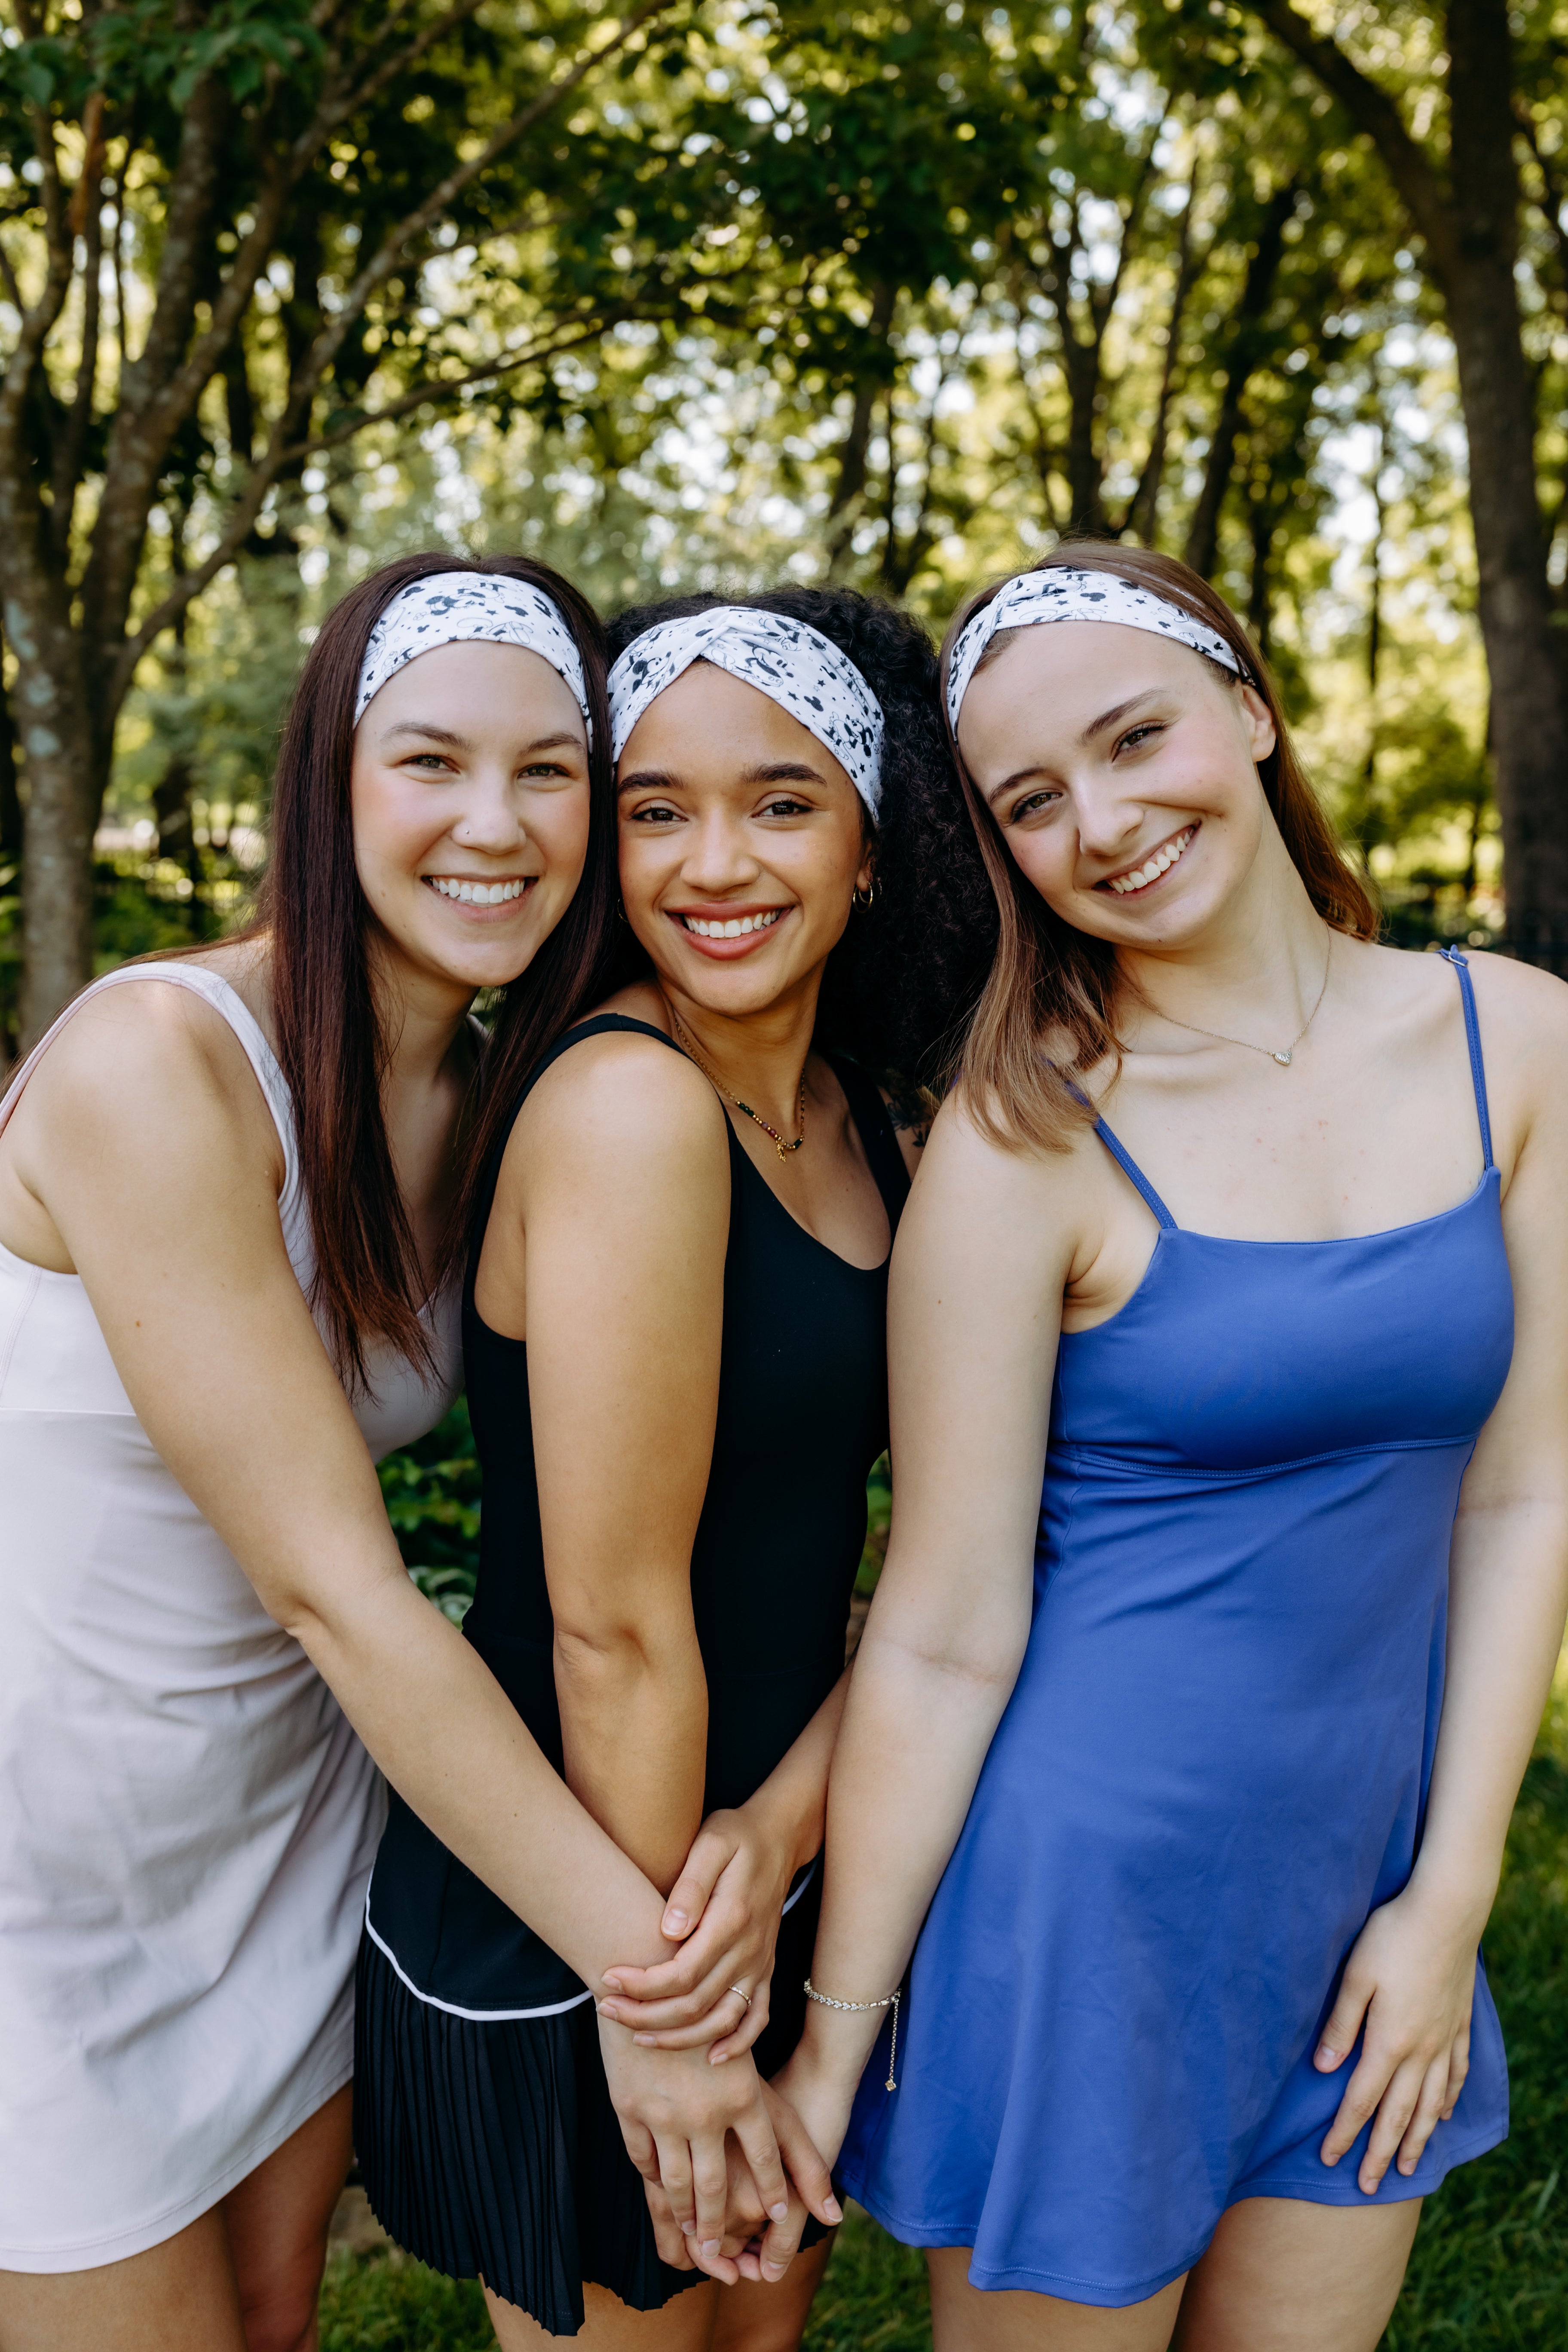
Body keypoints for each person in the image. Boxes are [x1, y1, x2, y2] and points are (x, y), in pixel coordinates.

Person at [0, 558, 802, 2352]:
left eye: (551, 772)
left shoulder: (494, 1089)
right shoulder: (158, 1064)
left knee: (271, 2324)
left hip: (282, 1821)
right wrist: (663, 2000)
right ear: (332, 784)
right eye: (431, 762)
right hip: (45, 1869)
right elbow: (341, 1593)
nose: (494, 825)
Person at [772, 545, 1568, 2351]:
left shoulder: (1517, 1045)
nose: (1106, 823)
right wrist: (834, 2040)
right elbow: (944, 1628)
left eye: (1136, 739)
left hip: (1367, 1891)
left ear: (1254, 710)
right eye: (1033, 801)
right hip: (1085, 1913)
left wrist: (1447, 1902)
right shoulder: (1025, 1138)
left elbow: (1525, 1494)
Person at [353, 589, 950, 2348]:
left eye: (782, 803)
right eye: (655, 809)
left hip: (768, 1858)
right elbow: (612, 1629)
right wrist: (667, 2008)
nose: (714, 863)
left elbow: (924, 1568)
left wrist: (782, 1834)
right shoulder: (628, 1107)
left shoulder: (874, 1123)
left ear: (870, 849)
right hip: (598, 1895)